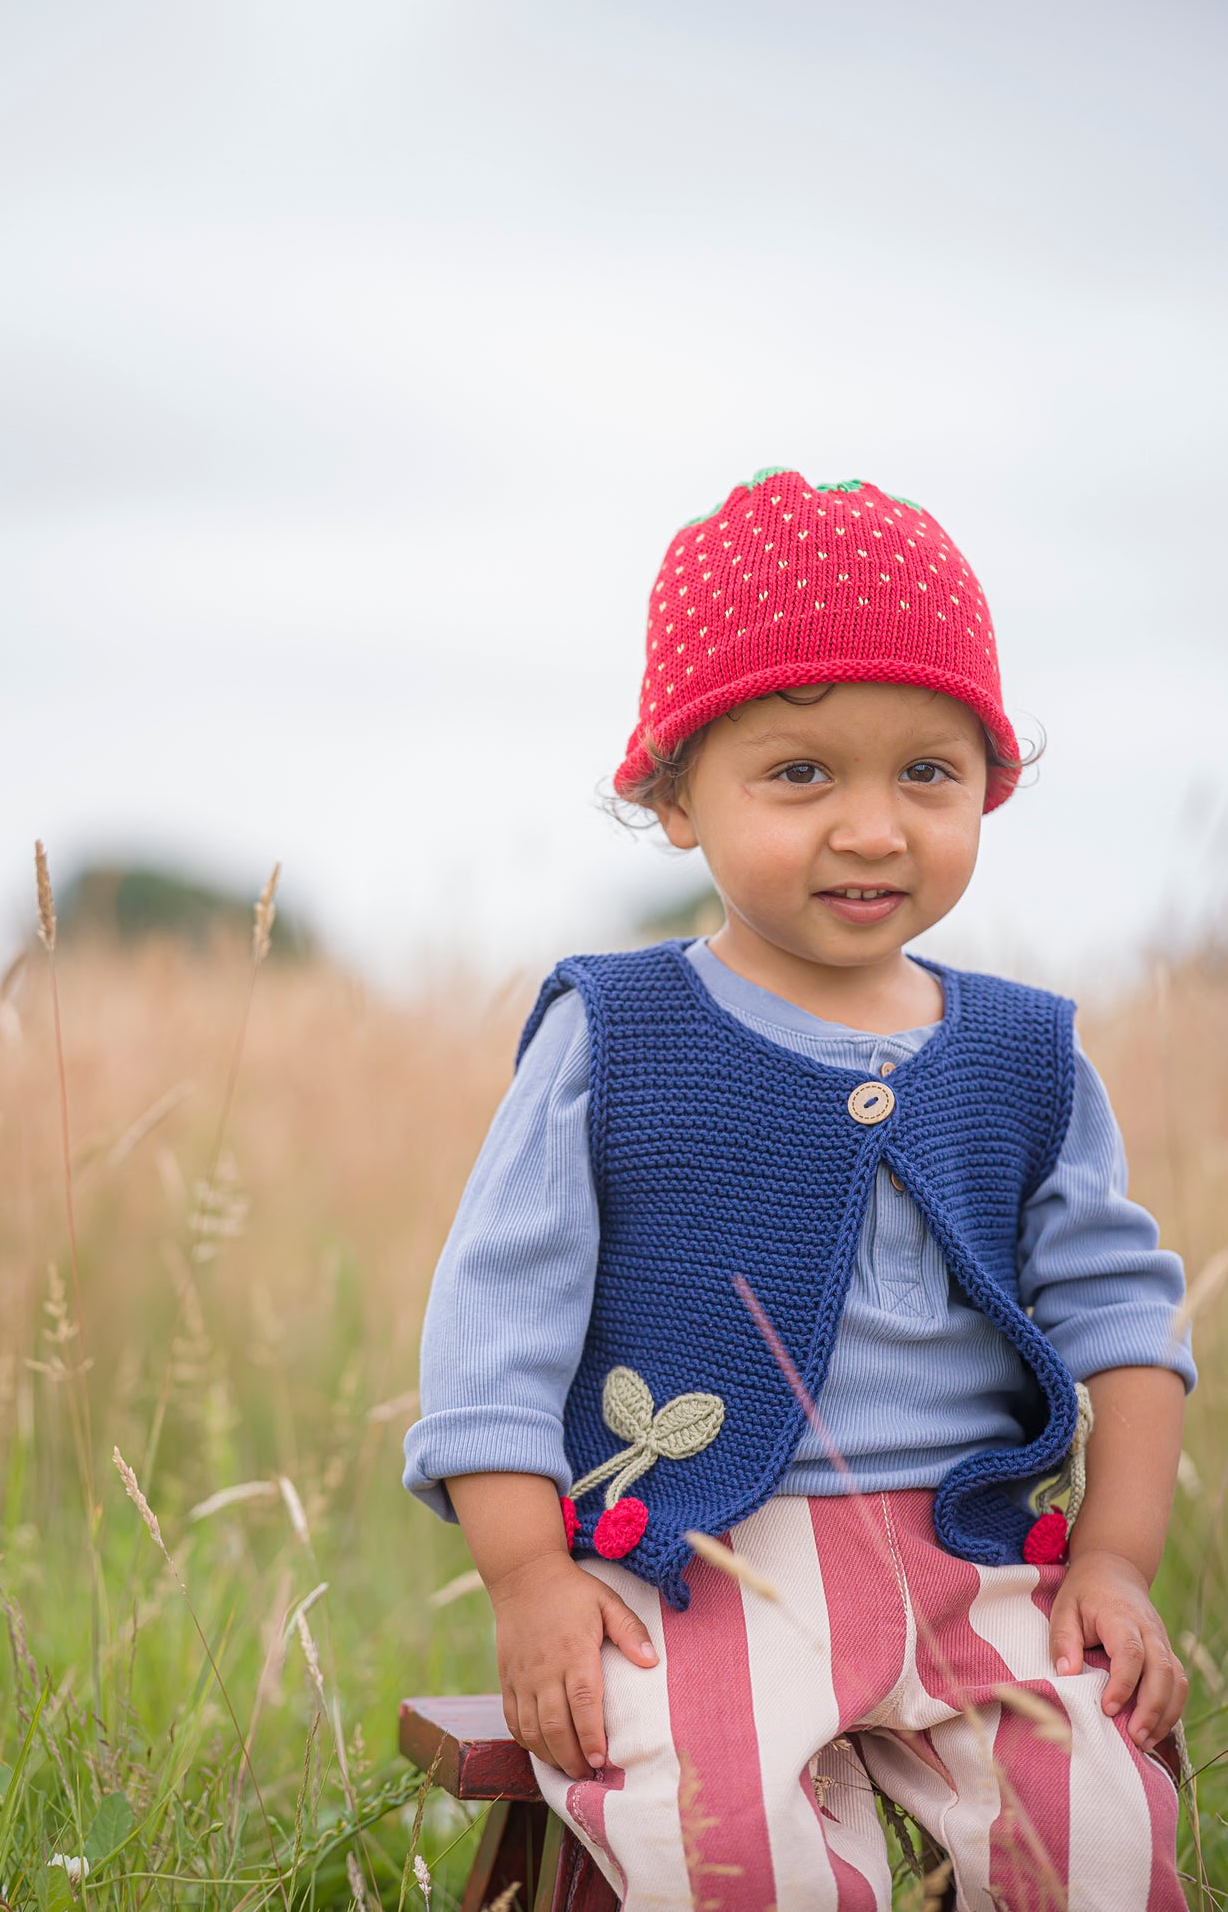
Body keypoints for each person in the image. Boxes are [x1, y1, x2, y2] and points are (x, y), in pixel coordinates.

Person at [401, 467, 1196, 1910]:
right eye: (801, 774)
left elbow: (1123, 1320)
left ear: (987, 785)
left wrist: (1118, 1559)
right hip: (698, 1562)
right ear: (673, 798)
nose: (874, 827)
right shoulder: (622, 1032)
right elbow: (494, 1319)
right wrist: (527, 1577)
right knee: (719, 1843)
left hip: (973, 1557)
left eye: (927, 772)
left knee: (1097, 1827)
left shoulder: (1022, 1052)